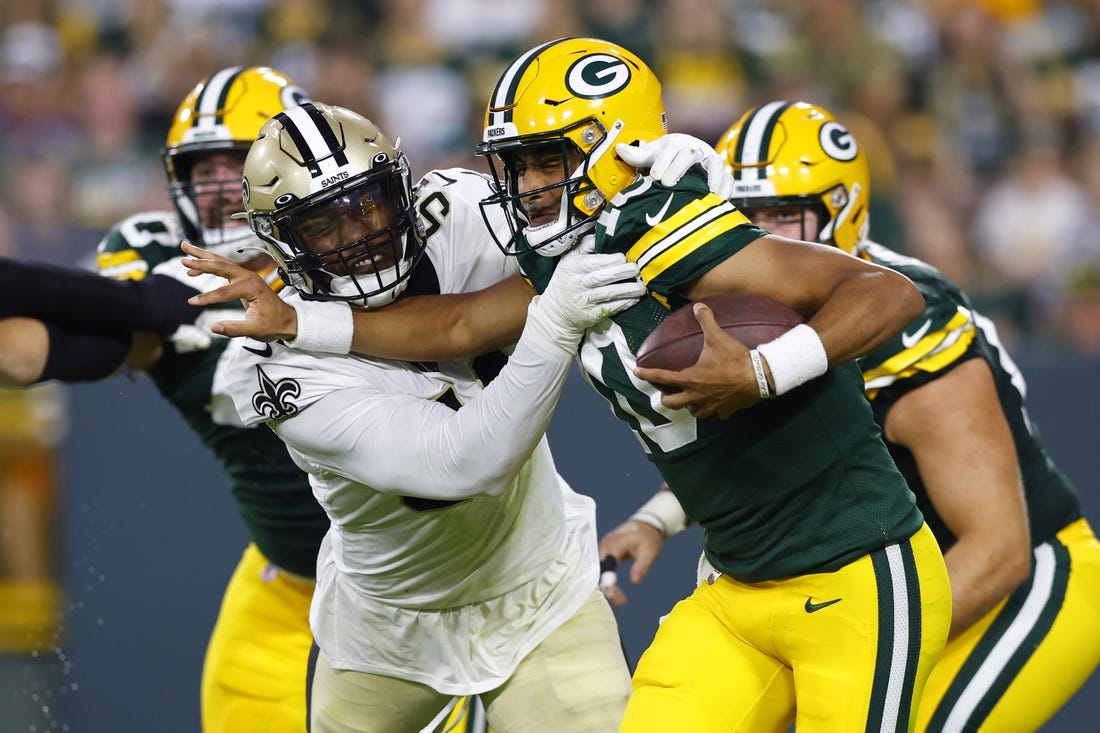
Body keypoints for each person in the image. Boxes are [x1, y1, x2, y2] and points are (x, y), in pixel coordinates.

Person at [186, 39, 950, 733]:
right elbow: (458, 353)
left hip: (819, 568)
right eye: (516, 165)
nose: (528, 188)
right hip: (390, 619)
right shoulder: (270, 357)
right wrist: (300, 320)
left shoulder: (629, 229)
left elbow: (887, 294)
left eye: (549, 161)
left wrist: (761, 367)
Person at [603, 100, 1100, 733]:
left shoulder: (906, 322)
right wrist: (658, 518)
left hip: (1017, 575)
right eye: (744, 215)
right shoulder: (746, 296)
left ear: (842, 211)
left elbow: (997, 548)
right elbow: (790, 448)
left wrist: (863, 645)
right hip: (862, 582)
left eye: (785, 214)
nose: (762, 234)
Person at [205, 100, 646, 733]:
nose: (359, 234)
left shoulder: (464, 214)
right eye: (325, 226)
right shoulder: (278, 366)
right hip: (388, 631)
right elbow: (467, 461)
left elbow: (608, 229)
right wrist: (553, 318)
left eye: (369, 203)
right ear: (283, 243)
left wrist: (665, 176)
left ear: (402, 188)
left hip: (539, 586)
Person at [0, 67, 334, 733]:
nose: (214, 187)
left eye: (233, 162)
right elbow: (53, 349)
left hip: (436, 574)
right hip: (290, 580)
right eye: (198, 168)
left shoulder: (348, 243)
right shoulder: (158, 253)